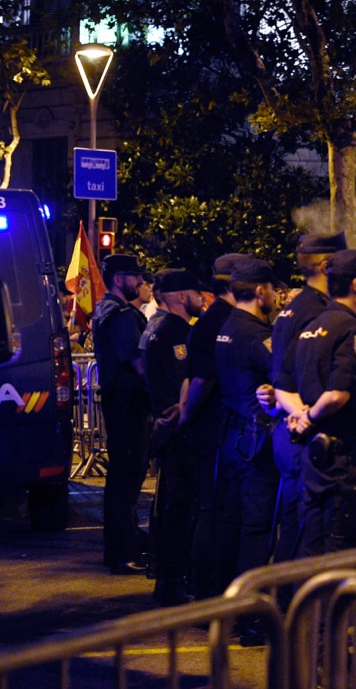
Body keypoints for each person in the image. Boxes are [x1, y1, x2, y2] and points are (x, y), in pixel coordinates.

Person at [275, 249, 356, 556]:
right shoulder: (351, 329)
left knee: (312, 548)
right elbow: (338, 394)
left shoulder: (311, 326)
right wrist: (309, 414)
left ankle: (305, 605)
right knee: (343, 556)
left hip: (313, 460)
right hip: (344, 464)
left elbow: (282, 385)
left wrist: (299, 414)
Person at [269, 233, 346, 567]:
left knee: (294, 524)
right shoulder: (317, 311)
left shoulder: (293, 308)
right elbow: (303, 373)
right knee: (309, 530)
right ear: (328, 266)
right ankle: (295, 609)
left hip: (287, 428)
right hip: (305, 432)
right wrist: (304, 414)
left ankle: (284, 605)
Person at [179, 253, 246, 599]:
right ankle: (207, 592)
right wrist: (186, 416)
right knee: (214, 510)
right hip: (216, 428)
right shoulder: (223, 322)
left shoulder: (208, 321)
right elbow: (202, 380)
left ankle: (207, 587)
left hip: (213, 428)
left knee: (213, 509)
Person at [215, 258, 284, 591]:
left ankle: (225, 600)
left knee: (230, 522)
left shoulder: (227, 328)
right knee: (257, 528)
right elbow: (285, 376)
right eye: (272, 288)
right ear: (260, 291)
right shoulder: (257, 335)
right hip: (256, 441)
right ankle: (251, 614)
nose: (275, 294)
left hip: (230, 437)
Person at [142, 269, 205, 605]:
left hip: (165, 430)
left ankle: (166, 579)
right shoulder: (177, 332)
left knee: (169, 508)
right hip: (178, 432)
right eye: (196, 293)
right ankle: (173, 583)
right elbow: (184, 384)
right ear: (182, 296)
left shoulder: (154, 328)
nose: (201, 299)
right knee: (181, 510)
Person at [93, 254, 152, 575]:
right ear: (118, 278)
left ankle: (120, 548)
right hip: (130, 406)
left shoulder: (106, 311)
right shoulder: (123, 316)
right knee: (127, 481)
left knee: (121, 479)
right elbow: (138, 364)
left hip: (118, 405)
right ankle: (122, 552)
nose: (141, 282)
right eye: (135, 276)